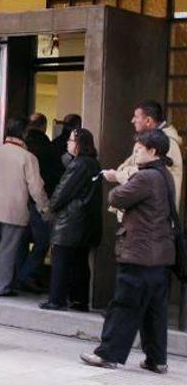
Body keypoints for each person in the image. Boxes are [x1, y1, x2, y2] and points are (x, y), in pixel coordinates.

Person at [81, 130, 176, 374]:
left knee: (124, 305)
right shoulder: (164, 175)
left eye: (138, 150)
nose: (134, 155)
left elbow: (116, 198)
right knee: (154, 312)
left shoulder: (145, 178)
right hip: (160, 256)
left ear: (153, 151)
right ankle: (157, 360)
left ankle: (107, 354)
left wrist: (118, 178)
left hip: (139, 253)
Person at [0, 117, 50, 297]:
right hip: (14, 210)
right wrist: (45, 208)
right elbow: (36, 188)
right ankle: (1, 287)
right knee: (8, 250)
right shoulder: (28, 157)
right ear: (24, 134)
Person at [40, 128, 102, 312]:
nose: (68, 143)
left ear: (79, 144)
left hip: (70, 221)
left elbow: (62, 191)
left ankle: (56, 299)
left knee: (61, 260)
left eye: (71, 140)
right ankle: (79, 300)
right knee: (80, 263)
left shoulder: (79, 164)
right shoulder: (92, 163)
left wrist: (49, 208)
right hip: (86, 222)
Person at [103, 100, 183, 209]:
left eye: (136, 117)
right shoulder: (151, 140)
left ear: (148, 120)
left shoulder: (167, 143)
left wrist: (118, 175)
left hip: (153, 216)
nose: (133, 121)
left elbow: (145, 175)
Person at [17, 113, 64, 293]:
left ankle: (20, 275)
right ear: (44, 126)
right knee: (42, 240)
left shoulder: (25, 147)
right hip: (39, 201)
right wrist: (46, 204)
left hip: (21, 200)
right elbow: (48, 179)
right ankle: (26, 275)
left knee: (21, 240)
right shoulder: (48, 147)